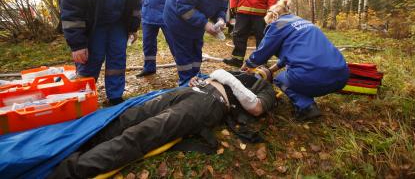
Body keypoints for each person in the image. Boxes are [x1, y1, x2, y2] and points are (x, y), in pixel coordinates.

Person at [47, 69, 276, 178]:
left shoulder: (263, 89)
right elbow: (212, 76)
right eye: (254, 67)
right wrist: (202, 78)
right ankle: (70, 149)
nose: (254, 71)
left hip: (209, 104)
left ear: (265, 77)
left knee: (145, 132)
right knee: (129, 117)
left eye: (261, 71)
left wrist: (225, 78)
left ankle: (69, 172)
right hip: (188, 91)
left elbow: (255, 107)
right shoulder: (237, 72)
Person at [61, 0, 141, 105]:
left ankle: (115, 96)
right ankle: (82, 97)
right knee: (91, 58)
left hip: (118, 23)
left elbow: (135, 2)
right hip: (94, 25)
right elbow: (71, 10)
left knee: (118, 58)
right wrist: (77, 45)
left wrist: (133, 27)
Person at [242, 0, 349, 121]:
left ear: (274, 16)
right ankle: (308, 91)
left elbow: (262, 52)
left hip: (317, 76)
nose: (268, 26)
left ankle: (306, 107)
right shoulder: (304, 22)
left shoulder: (278, 24)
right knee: (296, 73)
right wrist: (271, 70)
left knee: (280, 80)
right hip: (342, 75)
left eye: (268, 23)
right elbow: (292, 54)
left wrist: (247, 65)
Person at [163, 0, 241, 85]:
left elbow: (221, 8)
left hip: (197, 21)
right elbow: (183, 6)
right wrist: (205, 24)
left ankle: (195, 76)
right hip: (176, 18)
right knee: (184, 51)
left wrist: (220, 19)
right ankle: (186, 82)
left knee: (196, 48)